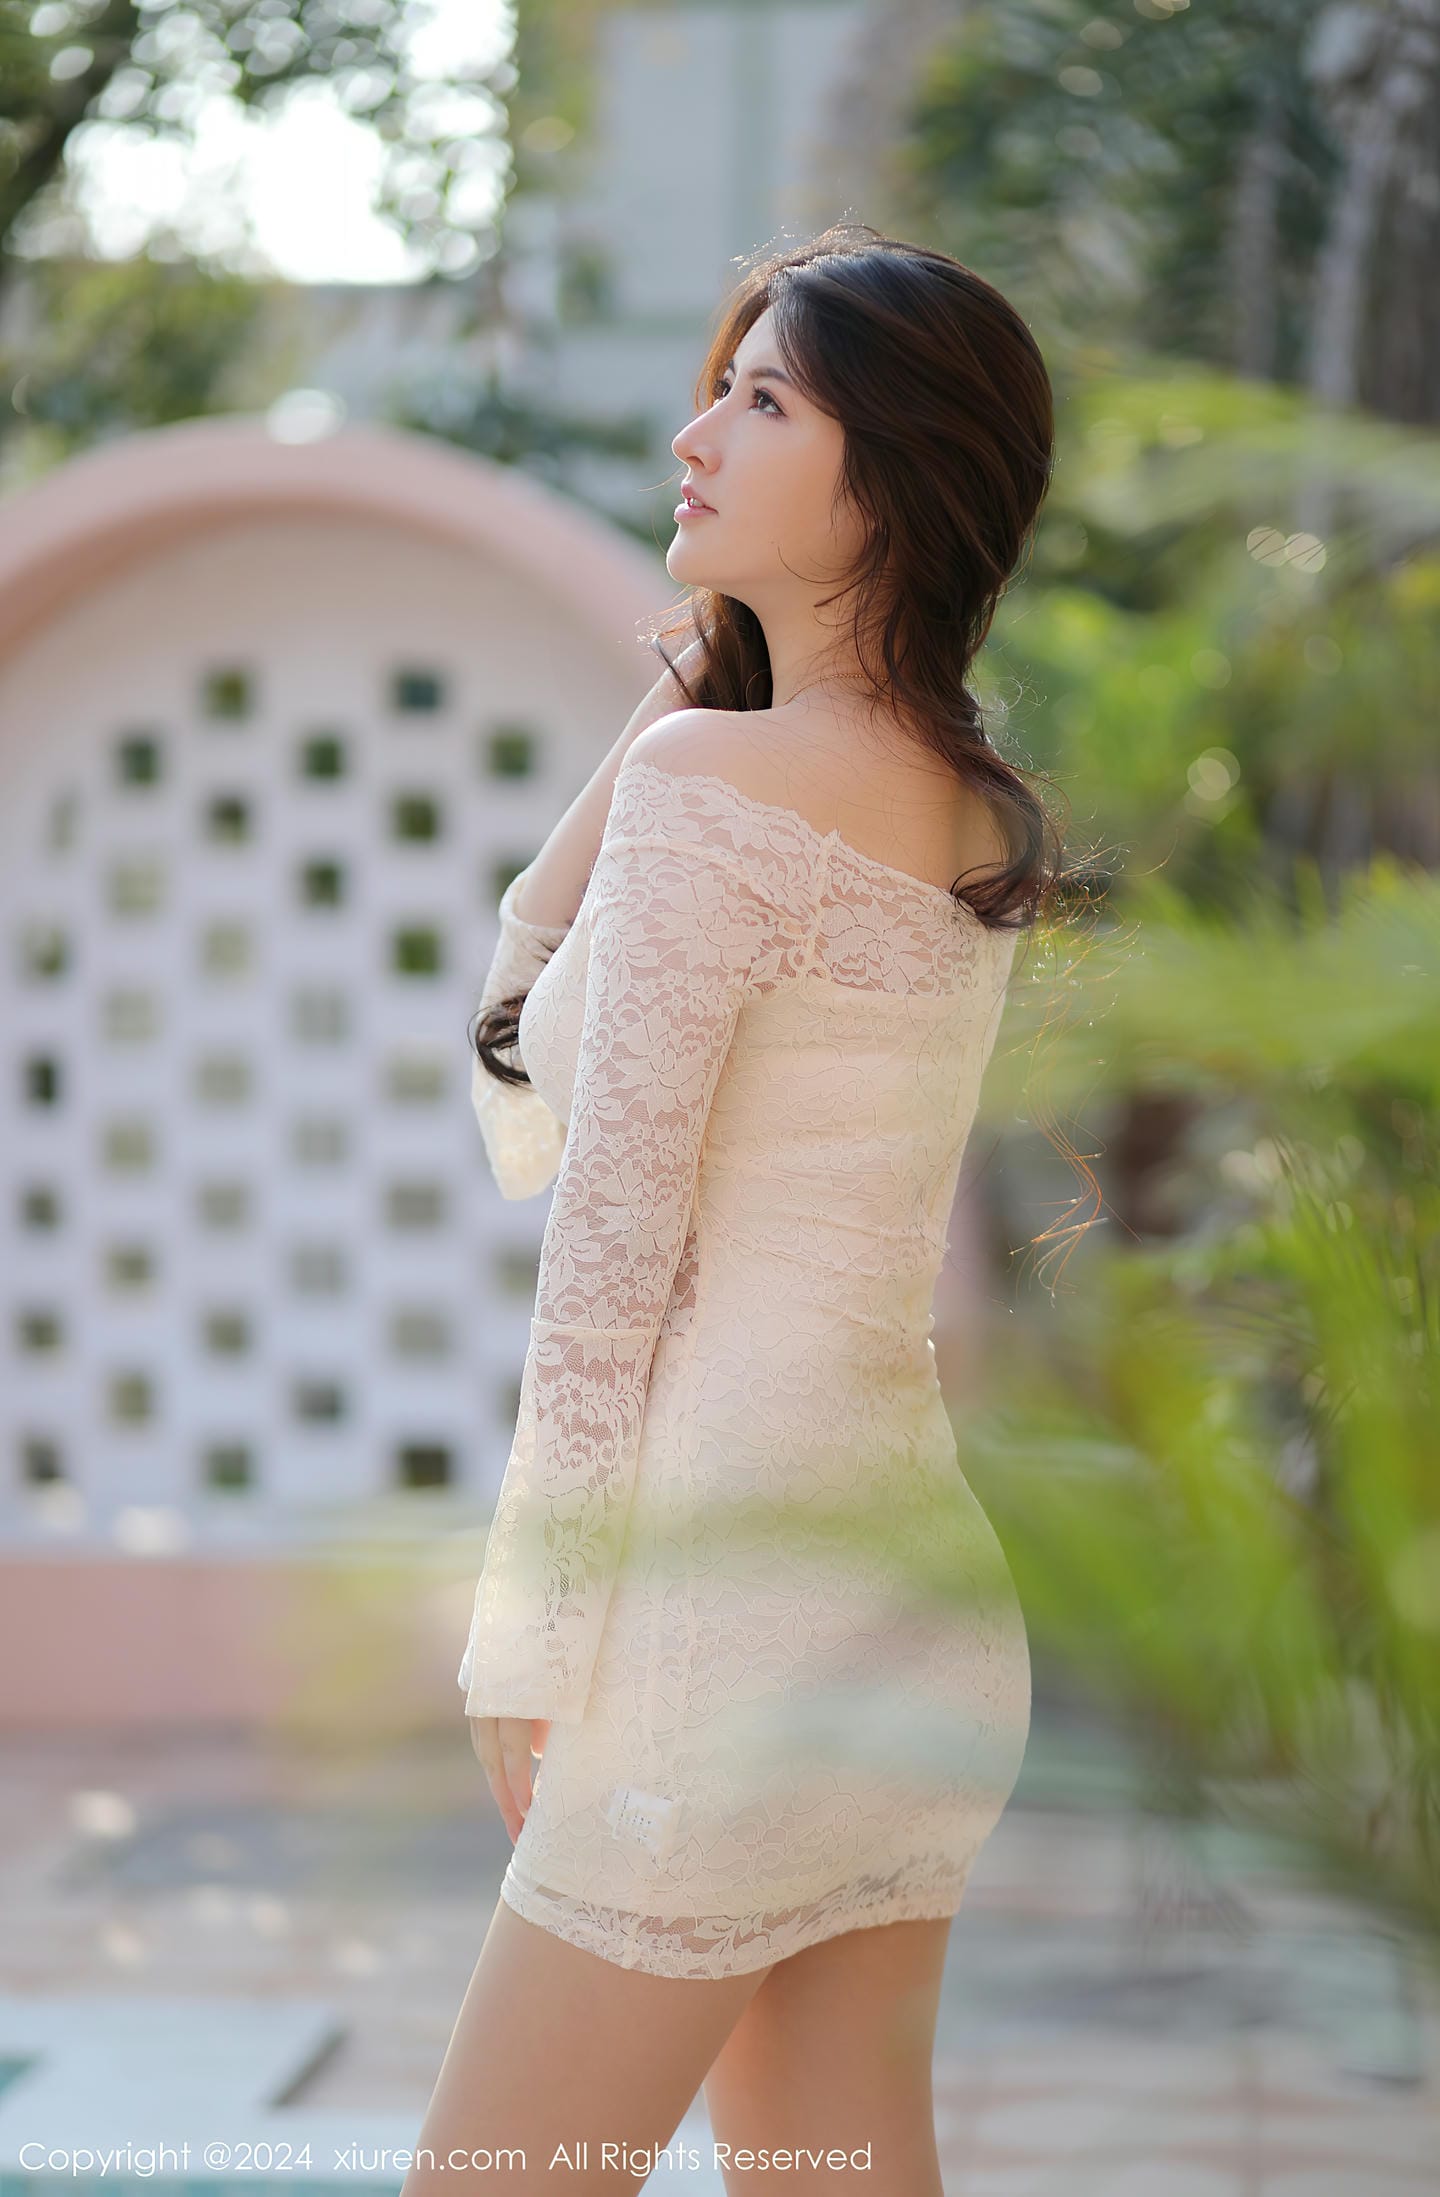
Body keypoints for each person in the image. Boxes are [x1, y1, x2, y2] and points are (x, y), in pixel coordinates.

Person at [403, 222, 1074, 2196]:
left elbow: (600, 1235)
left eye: (765, 401)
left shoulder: (716, 780)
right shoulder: (972, 807)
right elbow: (531, 1053)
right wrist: (704, 672)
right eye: (719, 389)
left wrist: (528, 1631)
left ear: (899, 472)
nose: (695, 437)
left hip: (720, 1618)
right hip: (911, 1604)